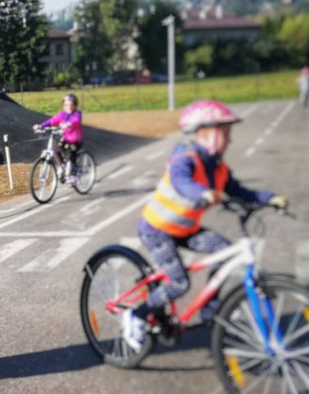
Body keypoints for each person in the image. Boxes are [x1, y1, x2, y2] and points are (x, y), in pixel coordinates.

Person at [122, 100, 289, 351]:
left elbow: (240, 191)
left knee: (223, 251)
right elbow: (181, 181)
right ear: (205, 133)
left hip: (185, 229)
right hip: (157, 230)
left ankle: (211, 313)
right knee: (179, 283)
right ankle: (136, 315)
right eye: (225, 134)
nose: (230, 141)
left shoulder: (219, 169)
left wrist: (269, 199)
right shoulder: (185, 158)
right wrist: (203, 192)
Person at [33, 94, 83, 183]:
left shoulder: (77, 114)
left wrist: (69, 124)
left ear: (75, 105)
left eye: (71, 105)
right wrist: (40, 126)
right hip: (66, 138)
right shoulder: (62, 114)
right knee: (56, 149)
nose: (69, 107)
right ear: (64, 105)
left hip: (76, 139)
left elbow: (76, 121)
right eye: (66, 105)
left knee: (72, 154)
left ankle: (74, 175)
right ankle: (62, 166)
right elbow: (51, 121)